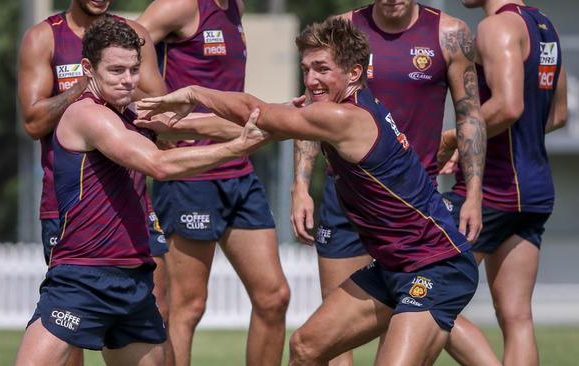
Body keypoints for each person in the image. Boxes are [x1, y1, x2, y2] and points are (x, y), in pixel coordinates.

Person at [139, 17, 480, 366]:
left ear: (354, 73)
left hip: (437, 266)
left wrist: (194, 92)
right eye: (306, 69)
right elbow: (252, 125)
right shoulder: (328, 111)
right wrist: (162, 127)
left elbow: (253, 111)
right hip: (393, 266)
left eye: (322, 68)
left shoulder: (345, 118)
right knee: (305, 347)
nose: (312, 79)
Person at [14, 17, 269, 366]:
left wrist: (283, 122)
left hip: (133, 282)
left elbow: (200, 124)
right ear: (88, 69)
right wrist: (238, 147)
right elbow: (159, 165)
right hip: (83, 279)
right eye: (116, 70)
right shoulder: (88, 115)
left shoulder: (133, 111)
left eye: (133, 70)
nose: (128, 81)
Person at [290, 1, 495, 364]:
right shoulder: (340, 30)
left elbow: (470, 116)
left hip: (413, 205)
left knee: (420, 312)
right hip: (347, 198)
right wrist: (301, 186)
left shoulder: (450, 33)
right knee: (328, 338)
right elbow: (310, 113)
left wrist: (474, 191)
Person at [135, 1, 290, 365]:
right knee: (187, 307)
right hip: (192, 176)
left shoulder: (235, 7)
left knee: (274, 296)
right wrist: (161, 108)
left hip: (239, 171)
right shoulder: (184, 5)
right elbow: (134, 36)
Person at [17, 2, 168, 364]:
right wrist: (85, 89)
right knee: (71, 328)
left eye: (130, 69)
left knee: (158, 308)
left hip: (132, 198)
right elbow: (34, 123)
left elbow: (162, 111)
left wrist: (117, 85)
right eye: (117, 69)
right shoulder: (43, 37)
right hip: (69, 204)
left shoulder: (132, 37)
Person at [438, 1, 567, 365]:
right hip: (535, 191)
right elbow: (557, 114)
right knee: (517, 317)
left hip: (494, 189)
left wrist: (452, 139)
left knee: (422, 290)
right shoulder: (545, 28)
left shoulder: (496, 28)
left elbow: (509, 107)